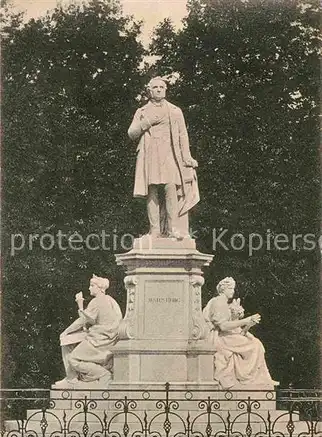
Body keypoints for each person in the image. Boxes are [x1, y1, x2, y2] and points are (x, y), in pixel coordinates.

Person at [128, 76, 199, 239]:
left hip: (170, 154)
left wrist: (187, 157)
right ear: (149, 91)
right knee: (152, 189)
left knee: (170, 188)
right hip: (150, 153)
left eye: (162, 87)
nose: (159, 89)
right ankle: (155, 231)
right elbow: (131, 133)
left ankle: (173, 228)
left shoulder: (175, 111)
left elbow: (183, 135)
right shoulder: (142, 112)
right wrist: (146, 123)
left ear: (165, 90)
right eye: (155, 87)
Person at [203, 277, 275, 390]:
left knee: (256, 343)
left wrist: (249, 324)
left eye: (233, 288)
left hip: (228, 335)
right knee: (255, 345)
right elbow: (223, 326)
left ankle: (260, 378)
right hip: (222, 337)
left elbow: (236, 328)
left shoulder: (224, 303)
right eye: (230, 288)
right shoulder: (219, 302)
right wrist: (246, 320)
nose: (233, 291)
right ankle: (249, 378)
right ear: (223, 289)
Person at [54, 275, 122, 388]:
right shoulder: (111, 300)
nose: (89, 288)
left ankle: (99, 374)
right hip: (108, 338)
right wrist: (80, 306)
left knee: (72, 357)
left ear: (100, 288)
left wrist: (65, 331)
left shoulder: (96, 301)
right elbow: (90, 319)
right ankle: (72, 378)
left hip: (98, 340)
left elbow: (82, 320)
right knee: (71, 344)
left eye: (92, 285)